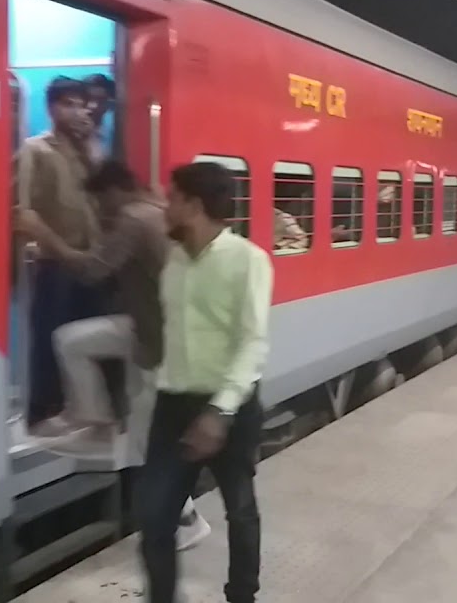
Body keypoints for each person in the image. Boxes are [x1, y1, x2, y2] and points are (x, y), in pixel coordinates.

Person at [15, 159, 212, 551]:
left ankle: (187, 520)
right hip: (147, 331)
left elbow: (91, 270)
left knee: (144, 442)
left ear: (112, 192)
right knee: (72, 340)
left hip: (161, 347)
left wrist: (42, 233)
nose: (101, 212)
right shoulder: (155, 210)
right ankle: (98, 416)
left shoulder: (134, 219)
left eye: (100, 203)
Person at [138, 162, 273, 603]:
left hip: (228, 409)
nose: (164, 207)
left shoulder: (249, 261)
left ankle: (241, 596)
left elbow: (252, 342)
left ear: (193, 205)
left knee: (240, 510)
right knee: (155, 517)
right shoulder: (173, 260)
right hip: (173, 404)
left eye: (171, 198)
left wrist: (219, 411)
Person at [14, 76, 102, 437]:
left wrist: (90, 146)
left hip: (92, 262)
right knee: (51, 338)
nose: (77, 111)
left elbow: (105, 196)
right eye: (68, 104)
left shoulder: (88, 153)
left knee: (85, 338)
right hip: (56, 263)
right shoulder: (35, 150)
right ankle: (42, 412)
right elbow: (23, 212)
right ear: (51, 108)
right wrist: (57, 249)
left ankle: (79, 408)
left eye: (82, 105)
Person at [83, 74, 116, 162]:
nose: (93, 105)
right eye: (88, 99)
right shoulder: (69, 135)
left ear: (109, 104)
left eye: (100, 100)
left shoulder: (116, 135)